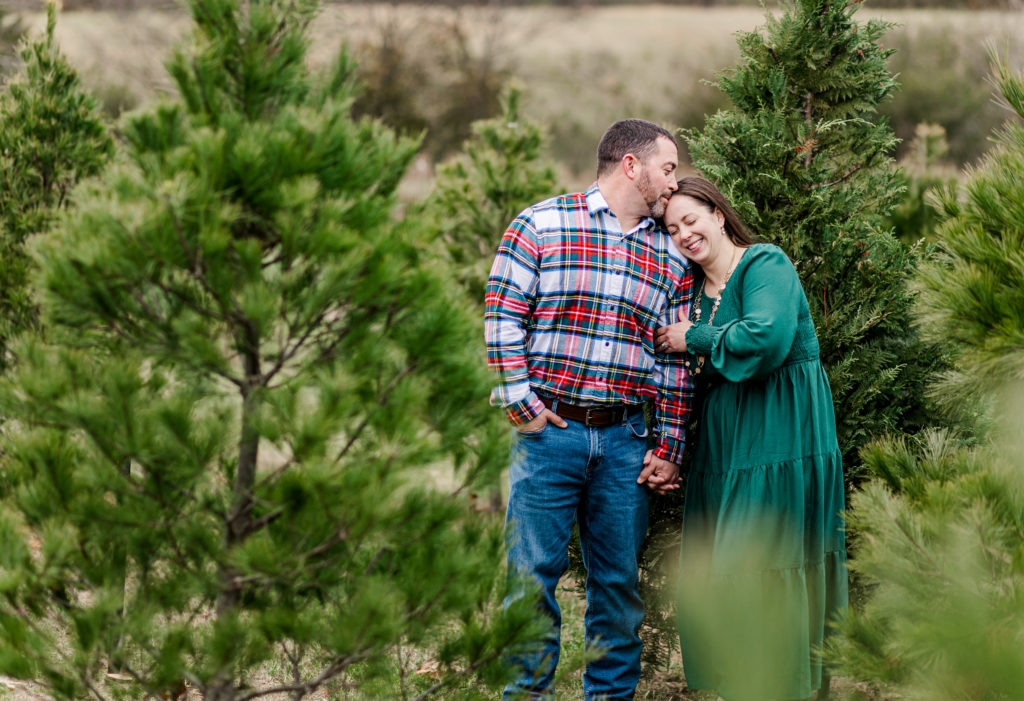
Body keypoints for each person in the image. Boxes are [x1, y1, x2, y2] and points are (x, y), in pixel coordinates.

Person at [484, 119, 696, 699]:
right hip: (548, 434)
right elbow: (503, 315)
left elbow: (674, 361)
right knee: (530, 584)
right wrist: (520, 405)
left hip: (626, 439)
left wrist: (669, 446)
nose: (674, 184)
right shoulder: (541, 223)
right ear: (632, 165)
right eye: (669, 168)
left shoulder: (670, 251)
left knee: (618, 590)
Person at [653, 177, 848, 701]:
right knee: (724, 567)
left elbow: (766, 338)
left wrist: (691, 338)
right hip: (726, 442)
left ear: (718, 215)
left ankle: (785, 688)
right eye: (672, 230)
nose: (684, 235)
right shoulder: (693, 294)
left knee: (766, 558)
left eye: (691, 220)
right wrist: (668, 449)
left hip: (782, 433)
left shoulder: (764, 264)